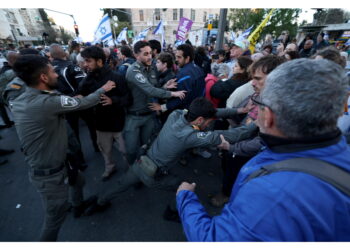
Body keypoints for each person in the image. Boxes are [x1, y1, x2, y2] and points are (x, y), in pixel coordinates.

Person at [176, 58, 350, 241]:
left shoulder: (271, 194)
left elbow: (212, 240)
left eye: (259, 106)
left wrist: (185, 198)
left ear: (268, 116)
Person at [85, 97, 258, 218]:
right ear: (199, 120)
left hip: (141, 162)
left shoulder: (178, 115)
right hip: (154, 175)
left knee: (121, 184)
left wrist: (239, 110)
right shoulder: (190, 136)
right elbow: (231, 135)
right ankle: (172, 212)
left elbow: (212, 113)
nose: (209, 125)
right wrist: (257, 123)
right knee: (183, 189)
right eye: (207, 122)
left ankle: (99, 202)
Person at [9, 54, 116, 241]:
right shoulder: (46, 102)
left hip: (60, 161)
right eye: (52, 71)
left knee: (78, 181)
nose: (57, 75)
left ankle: (78, 206)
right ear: (43, 77)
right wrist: (102, 89)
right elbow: (82, 103)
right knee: (54, 219)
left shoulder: (25, 93)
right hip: (50, 174)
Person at [124, 41, 186, 164]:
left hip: (149, 115)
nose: (150, 57)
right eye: (145, 54)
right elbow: (150, 90)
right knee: (131, 150)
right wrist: (173, 93)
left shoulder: (151, 68)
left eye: (150, 53)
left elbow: (154, 88)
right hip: (134, 117)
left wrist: (164, 87)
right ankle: (131, 172)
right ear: (137, 55)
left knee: (147, 146)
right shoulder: (134, 71)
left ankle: (142, 170)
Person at [79, 46, 131, 181]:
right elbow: (79, 95)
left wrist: (112, 100)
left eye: (88, 61)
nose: (85, 64)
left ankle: (131, 172)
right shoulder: (87, 79)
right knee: (105, 151)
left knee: (126, 151)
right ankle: (110, 168)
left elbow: (127, 98)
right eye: (84, 61)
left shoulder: (117, 77)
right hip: (100, 124)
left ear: (100, 61)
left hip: (119, 123)